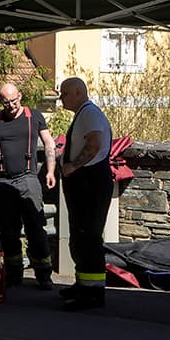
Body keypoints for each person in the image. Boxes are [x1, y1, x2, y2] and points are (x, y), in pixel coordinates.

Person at [0, 82, 56, 290]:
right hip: (4, 181)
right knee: (8, 232)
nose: (11, 106)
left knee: (36, 229)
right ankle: (14, 275)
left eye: (14, 101)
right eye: (6, 102)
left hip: (28, 178)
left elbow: (49, 144)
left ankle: (43, 275)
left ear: (20, 96)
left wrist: (50, 170)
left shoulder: (34, 117)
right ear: (1, 102)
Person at [56, 77, 113, 312]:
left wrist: (72, 166)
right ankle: (83, 284)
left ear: (79, 92)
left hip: (90, 182)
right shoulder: (85, 113)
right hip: (86, 182)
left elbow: (94, 145)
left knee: (88, 237)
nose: (61, 98)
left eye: (65, 93)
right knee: (80, 235)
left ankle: (92, 293)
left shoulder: (89, 114)